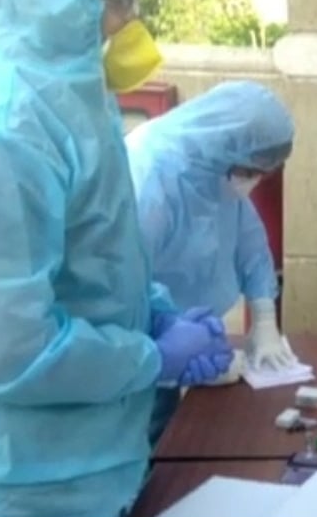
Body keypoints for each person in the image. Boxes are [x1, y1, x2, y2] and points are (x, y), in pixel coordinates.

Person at [0, 0, 234, 517]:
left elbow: (99, 256)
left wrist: (155, 313)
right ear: (56, 0)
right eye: (118, 0)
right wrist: (153, 356)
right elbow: (11, 354)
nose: (129, 21)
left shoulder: (71, 105)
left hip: (90, 466)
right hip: (18, 485)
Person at [125, 81, 298, 443]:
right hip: (130, 358)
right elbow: (123, 290)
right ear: (222, 151)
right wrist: (172, 355)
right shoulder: (149, 175)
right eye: (250, 171)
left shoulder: (214, 176)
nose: (253, 181)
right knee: (139, 444)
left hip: (167, 346)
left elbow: (251, 242)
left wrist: (264, 318)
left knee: (167, 445)